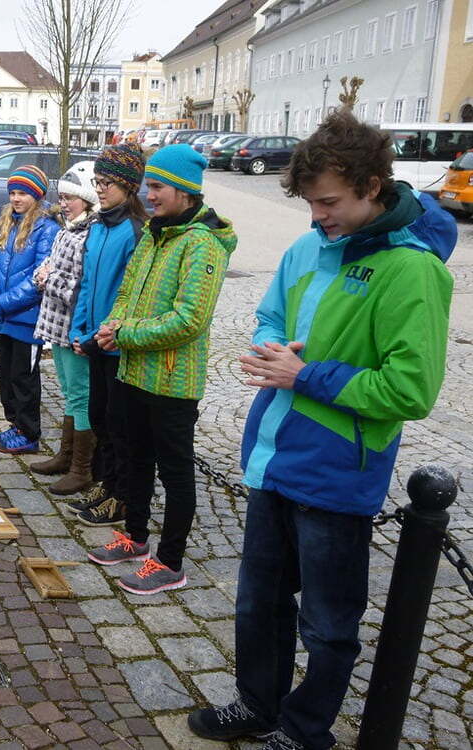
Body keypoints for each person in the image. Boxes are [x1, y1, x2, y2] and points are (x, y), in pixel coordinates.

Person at [187, 112, 456, 750]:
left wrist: (305, 375)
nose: (316, 216)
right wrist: (271, 345)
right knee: (259, 603)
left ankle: (306, 730)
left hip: (337, 475)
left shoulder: (412, 269)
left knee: (328, 624)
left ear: (372, 185)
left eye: (329, 202)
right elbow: (269, 315)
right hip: (272, 459)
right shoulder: (308, 247)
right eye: (309, 202)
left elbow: (411, 391)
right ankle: (258, 705)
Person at [86, 144, 235, 594]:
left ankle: (170, 562)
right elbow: (127, 292)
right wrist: (113, 325)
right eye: (148, 186)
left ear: (184, 191)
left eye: (156, 187)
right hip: (133, 373)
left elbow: (189, 320)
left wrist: (125, 334)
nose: (148, 195)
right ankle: (135, 537)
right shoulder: (154, 233)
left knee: (175, 472)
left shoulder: (202, 244)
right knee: (134, 459)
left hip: (173, 382)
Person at [66, 144, 148, 526]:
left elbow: (130, 293)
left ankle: (120, 496)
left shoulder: (135, 231)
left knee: (119, 426)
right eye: (97, 182)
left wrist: (105, 334)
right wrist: (80, 329)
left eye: (107, 183)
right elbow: (86, 284)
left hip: (117, 346)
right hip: (95, 342)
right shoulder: (98, 227)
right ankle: (106, 482)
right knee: (99, 418)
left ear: (128, 186)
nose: (99, 189)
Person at [29, 161, 100, 495]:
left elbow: (81, 286)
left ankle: (81, 468)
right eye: (62, 197)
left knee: (80, 395)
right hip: (55, 326)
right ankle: (66, 455)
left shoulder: (90, 234)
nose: (64, 203)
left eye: (71, 197)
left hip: (73, 328)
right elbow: (47, 267)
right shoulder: (67, 229)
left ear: (88, 200)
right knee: (70, 393)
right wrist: (44, 275)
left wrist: (49, 278)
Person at [0, 165, 60, 454]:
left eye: (23, 193)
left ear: (36, 196)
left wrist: (4, 302)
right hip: (6, 316)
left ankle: (28, 432)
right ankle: (15, 425)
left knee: (23, 378)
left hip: (28, 318)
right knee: (5, 374)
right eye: (13, 193)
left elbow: (39, 277)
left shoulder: (47, 229)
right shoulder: (8, 223)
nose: (16, 198)